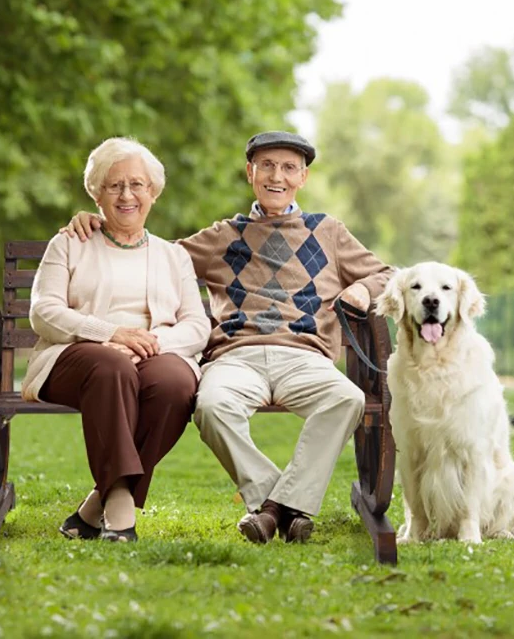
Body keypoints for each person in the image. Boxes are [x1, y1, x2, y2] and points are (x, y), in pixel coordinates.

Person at [63, 131, 393, 544]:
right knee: (211, 406)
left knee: (347, 399)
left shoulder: (328, 232)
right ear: (250, 172)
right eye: (267, 166)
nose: (278, 176)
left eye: (289, 168)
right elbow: (148, 252)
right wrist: (97, 223)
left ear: (303, 177)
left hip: (305, 357)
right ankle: (286, 504)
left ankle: (270, 509)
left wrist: (363, 289)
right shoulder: (223, 236)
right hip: (236, 358)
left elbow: (390, 276)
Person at [25, 137, 211, 542]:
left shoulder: (172, 255)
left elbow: (197, 326)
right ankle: (122, 510)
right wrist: (108, 333)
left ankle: (100, 501)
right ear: (97, 193)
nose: (127, 195)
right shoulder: (70, 243)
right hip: (76, 357)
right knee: (112, 365)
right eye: (114, 186)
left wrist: (148, 343)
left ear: (153, 193)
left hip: (151, 352)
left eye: (137, 185)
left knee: (177, 383)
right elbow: (43, 311)